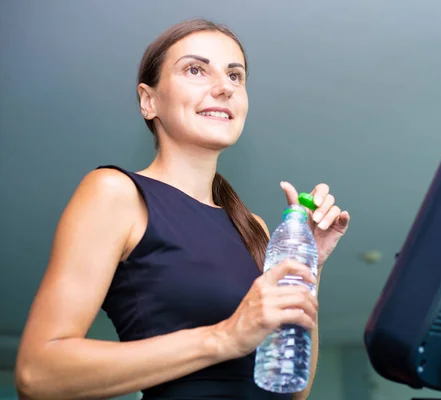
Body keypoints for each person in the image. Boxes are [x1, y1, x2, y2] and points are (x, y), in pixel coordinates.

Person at [15, 18, 350, 400]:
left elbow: (294, 390)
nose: (224, 87)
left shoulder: (253, 227)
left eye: (235, 76)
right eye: (195, 69)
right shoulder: (116, 193)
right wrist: (224, 338)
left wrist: (308, 268)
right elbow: (37, 374)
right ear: (149, 100)